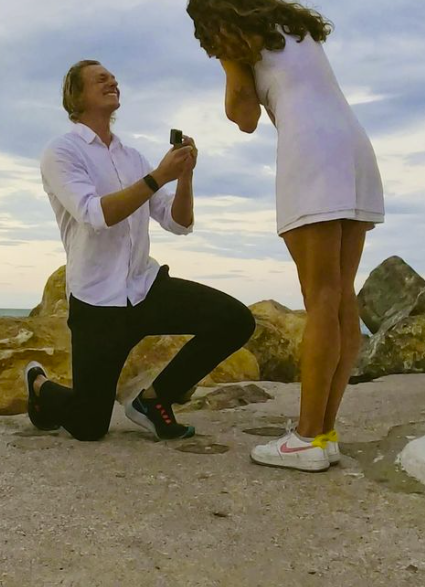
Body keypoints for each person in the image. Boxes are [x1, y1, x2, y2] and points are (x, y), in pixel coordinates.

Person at [186, 0, 385, 472]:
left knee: (320, 297)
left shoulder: (239, 46)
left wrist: (226, 63)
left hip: (313, 153)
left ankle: (307, 436)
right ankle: (324, 432)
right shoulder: (298, 30)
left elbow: (244, 116)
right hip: (355, 150)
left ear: (216, 22)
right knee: (342, 296)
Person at [25, 58, 255, 443]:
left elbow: (178, 223)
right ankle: (38, 385)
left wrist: (184, 177)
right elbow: (96, 214)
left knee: (235, 320)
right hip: (98, 302)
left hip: (145, 288)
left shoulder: (132, 157)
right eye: (101, 78)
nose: (113, 81)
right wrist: (159, 176)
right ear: (76, 96)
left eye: (114, 77)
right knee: (89, 426)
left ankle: (155, 399)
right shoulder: (61, 153)